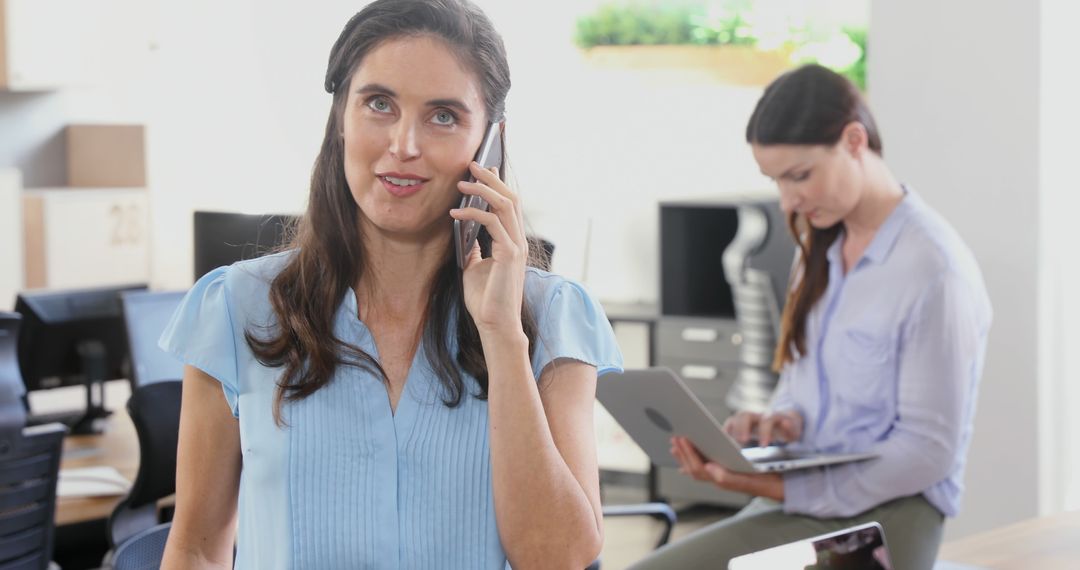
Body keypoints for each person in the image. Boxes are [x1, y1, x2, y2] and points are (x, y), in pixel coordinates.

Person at [158, 1, 622, 568]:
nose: (404, 144)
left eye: (444, 115)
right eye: (379, 104)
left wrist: (502, 334)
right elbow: (198, 548)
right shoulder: (236, 307)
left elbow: (558, 557)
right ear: (340, 118)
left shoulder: (551, 316)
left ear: (490, 144)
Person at [630, 64, 992, 570]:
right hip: (805, 499)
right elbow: (805, 387)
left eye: (799, 176)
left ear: (854, 141)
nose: (788, 200)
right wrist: (781, 421)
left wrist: (776, 485)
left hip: (890, 514)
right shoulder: (819, 250)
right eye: (776, 180)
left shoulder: (934, 269)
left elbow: (927, 452)